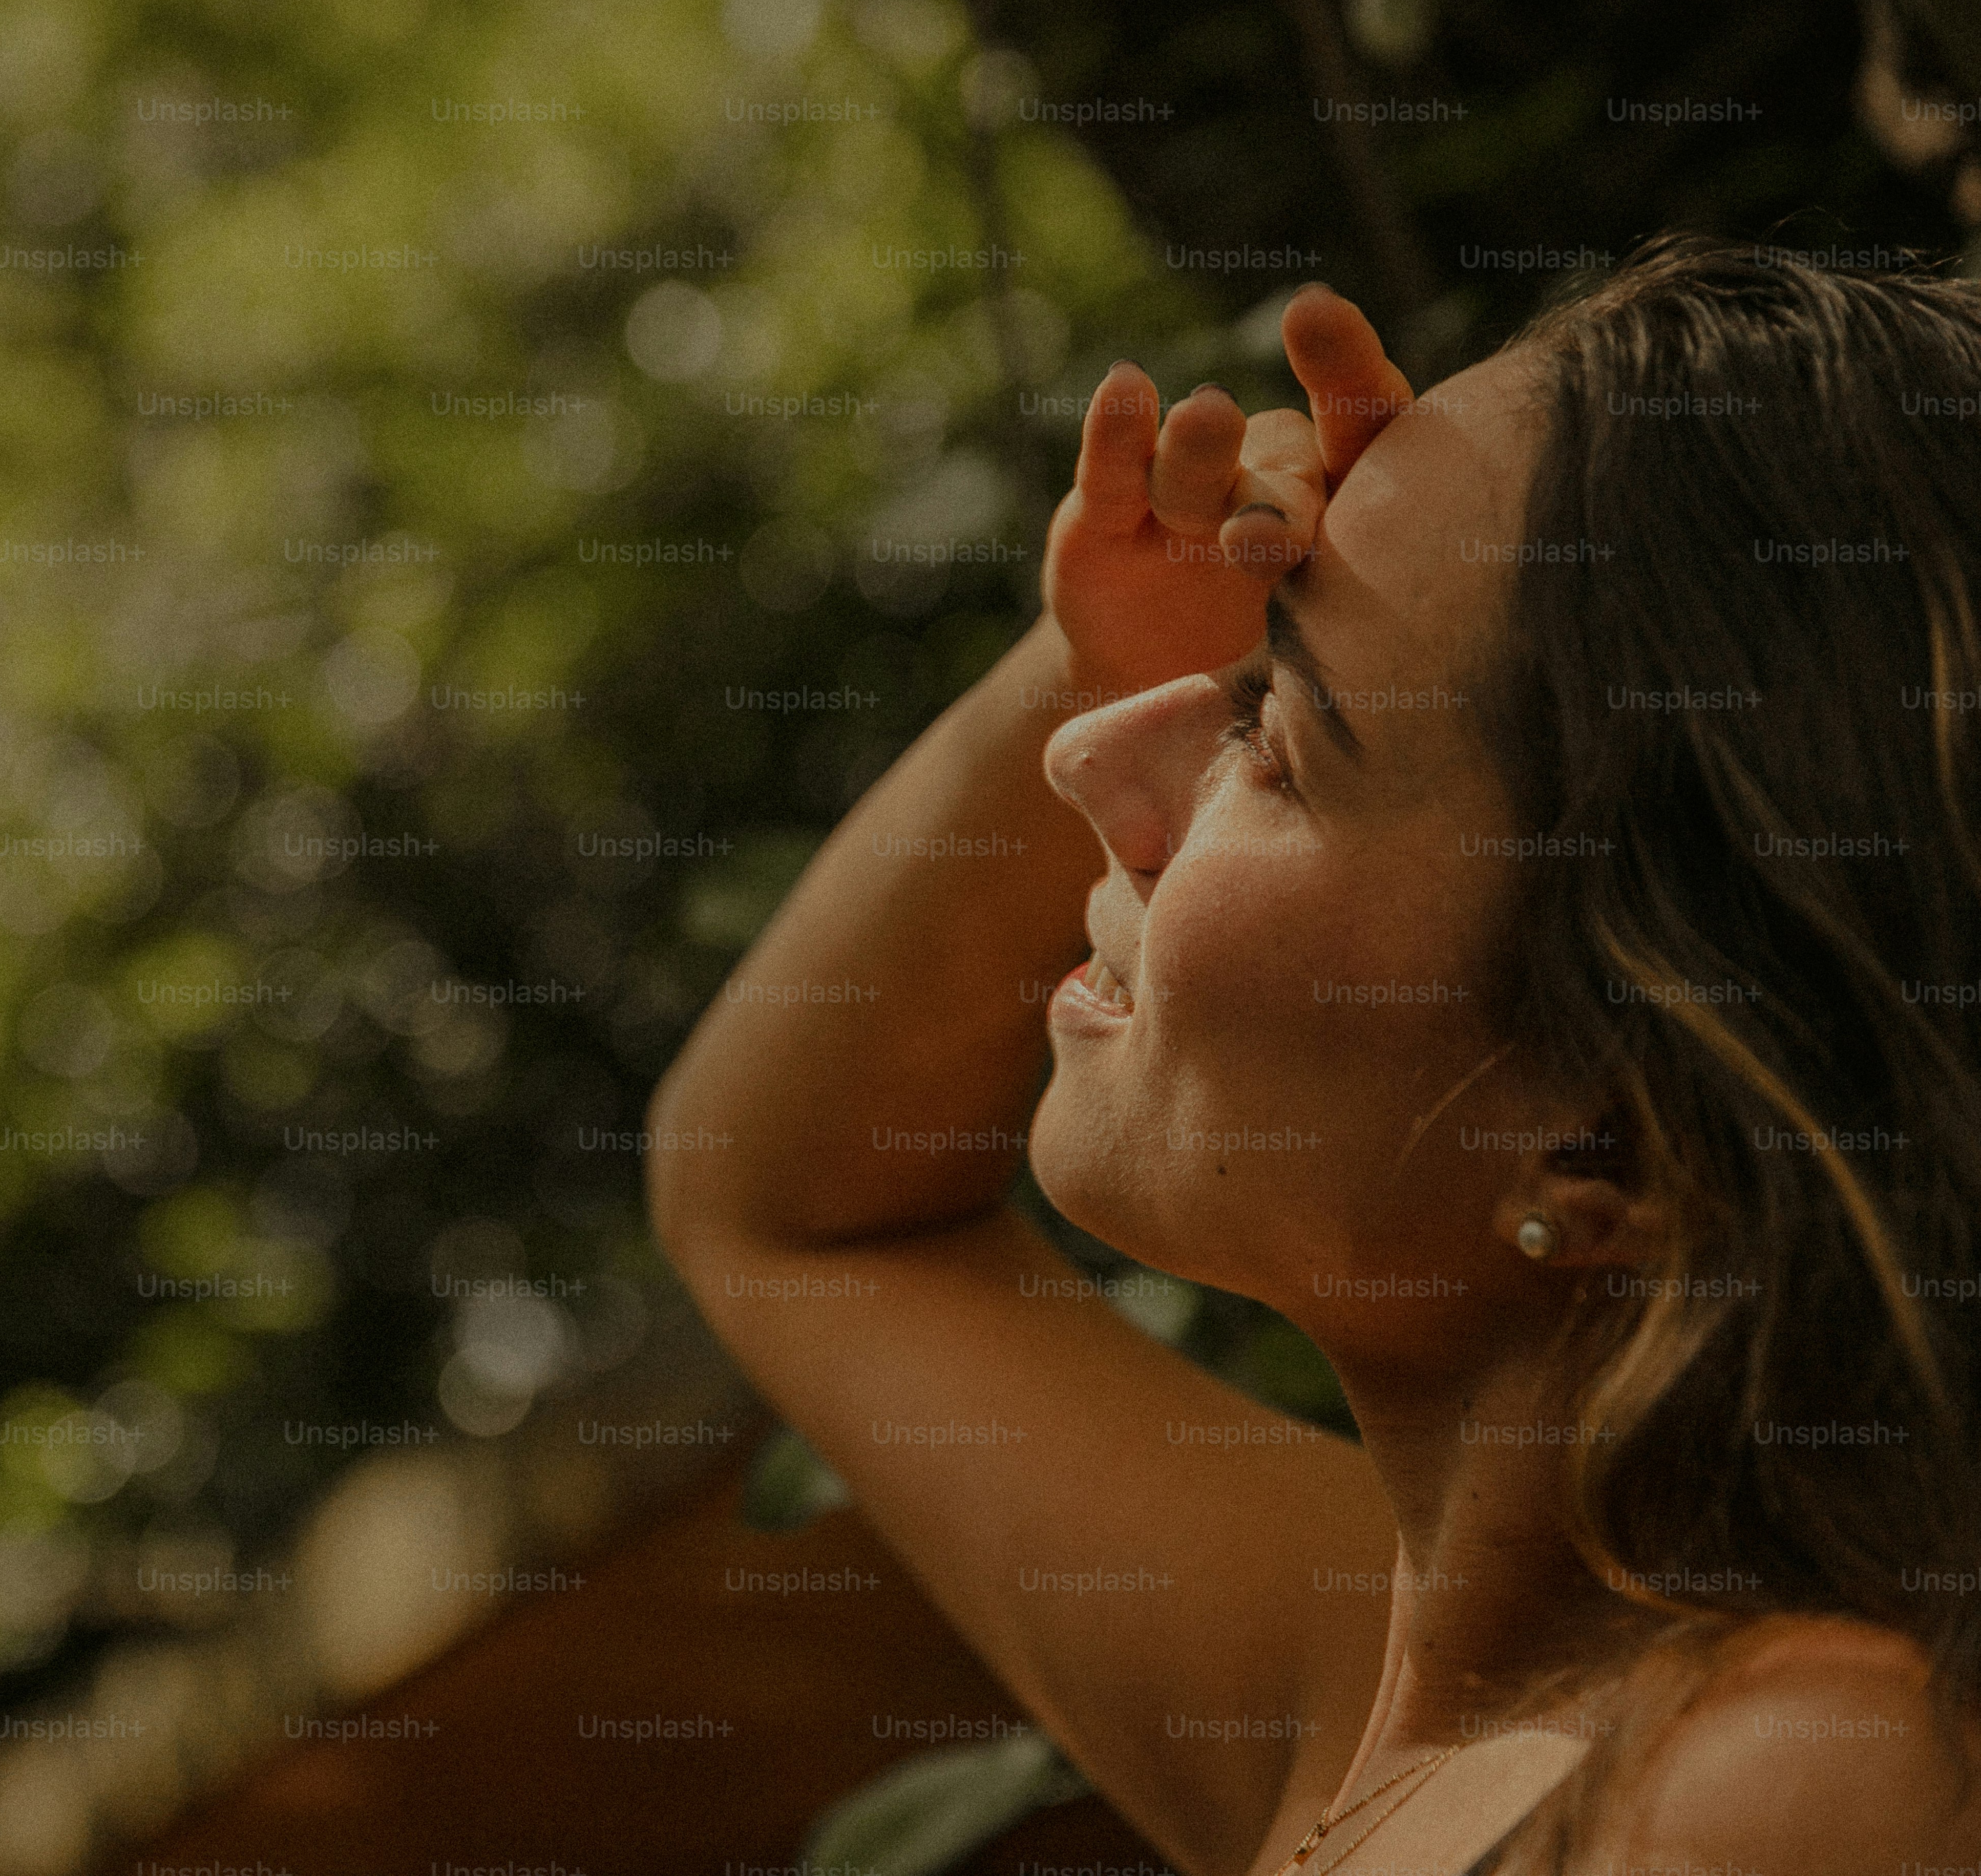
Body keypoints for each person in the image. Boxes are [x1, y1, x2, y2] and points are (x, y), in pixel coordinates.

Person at [646, 235, 1981, 1874]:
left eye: (1271, 739)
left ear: (1614, 1133)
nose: (1086, 751)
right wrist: (1122, 643)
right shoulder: (1381, 1720)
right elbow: (779, 1210)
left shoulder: (1792, 1796)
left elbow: (797, 1226)